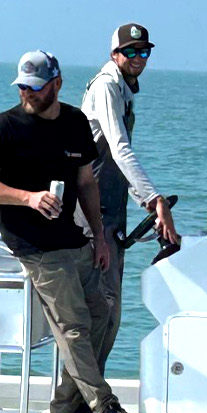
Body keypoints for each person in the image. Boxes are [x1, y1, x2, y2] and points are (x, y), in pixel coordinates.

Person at [0, 50, 132, 413]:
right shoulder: (1, 128)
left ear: (57, 85)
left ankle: (65, 407)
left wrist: (99, 237)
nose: (27, 93)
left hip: (73, 236)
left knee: (104, 314)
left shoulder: (75, 122)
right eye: (23, 86)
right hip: (34, 244)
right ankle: (103, 405)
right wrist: (28, 198)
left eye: (35, 87)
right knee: (73, 323)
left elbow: (87, 182)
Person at [79, 22, 178, 367]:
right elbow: (119, 150)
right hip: (94, 212)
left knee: (110, 312)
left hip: (113, 208)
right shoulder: (106, 88)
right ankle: (80, 399)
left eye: (144, 51)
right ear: (114, 55)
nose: (138, 58)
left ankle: (90, 392)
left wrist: (144, 202)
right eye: (130, 52)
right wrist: (155, 200)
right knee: (100, 308)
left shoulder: (124, 90)